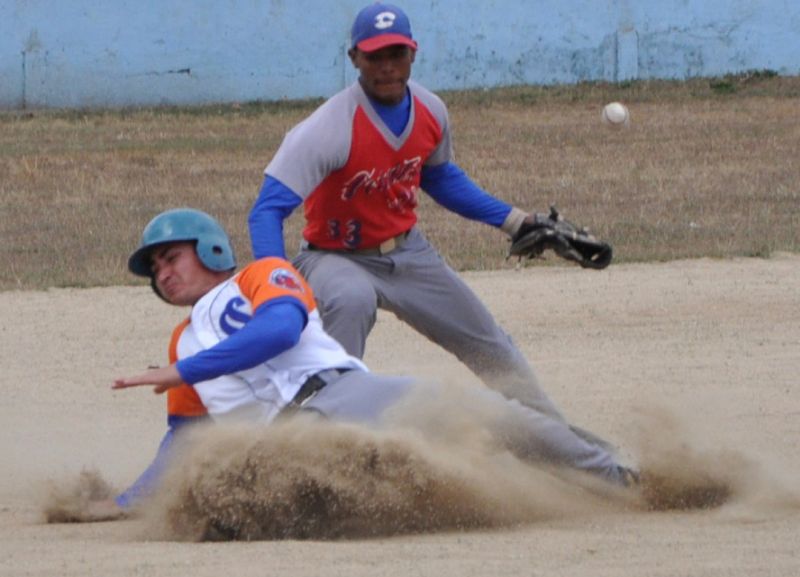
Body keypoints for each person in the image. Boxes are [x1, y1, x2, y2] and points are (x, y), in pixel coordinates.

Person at [99, 208, 636, 520]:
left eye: (170, 257)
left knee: (494, 417)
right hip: (280, 444)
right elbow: (185, 439)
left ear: (212, 250)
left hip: (342, 395)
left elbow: (280, 328)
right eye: (155, 269)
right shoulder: (183, 343)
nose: (162, 273)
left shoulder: (263, 275)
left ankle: (623, 481)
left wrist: (188, 371)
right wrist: (126, 503)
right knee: (379, 484)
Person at [247, 3, 593, 433]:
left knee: (493, 347)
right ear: (354, 58)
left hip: (409, 255)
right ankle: (310, 449)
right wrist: (277, 290)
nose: (387, 67)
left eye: (397, 54)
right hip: (333, 259)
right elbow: (267, 211)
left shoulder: (430, 111)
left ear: (414, 53)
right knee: (350, 303)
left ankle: (569, 449)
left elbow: (441, 178)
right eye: (375, 56)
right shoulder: (328, 128)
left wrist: (516, 221)